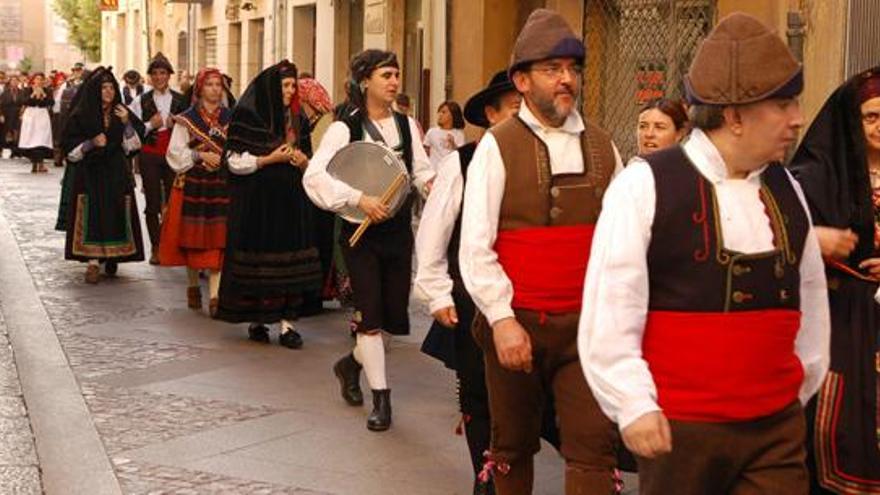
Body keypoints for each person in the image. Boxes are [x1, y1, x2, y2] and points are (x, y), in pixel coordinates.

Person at [579, 12, 830, 495]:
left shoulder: (786, 188)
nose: (797, 118)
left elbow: (811, 301)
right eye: (783, 104)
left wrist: (792, 397)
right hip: (682, 432)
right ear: (734, 117)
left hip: (775, 432)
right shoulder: (645, 184)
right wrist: (633, 404)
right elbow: (611, 307)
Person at [458, 10, 622, 494]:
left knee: (594, 447)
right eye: (552, 70)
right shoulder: (497, 146)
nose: (566, 79)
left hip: (586, 329)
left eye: (572, 68)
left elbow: (622, 238)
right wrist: (502, 320)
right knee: (511, 447)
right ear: (522, 81)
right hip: (517, 324)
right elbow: (476, 245)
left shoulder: (602, 144)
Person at [416, 70, 562, 495]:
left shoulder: (550, 160)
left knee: (540, 389)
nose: (522, 121)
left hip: (537, 297)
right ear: (491, 115)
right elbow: (435, 229)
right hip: (472, 297)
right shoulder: (461, 163)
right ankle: (487, 476)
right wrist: (437, 290)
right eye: (513, 111)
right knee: (478, 391)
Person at [305, 49, 434, 432]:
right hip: (360, 234)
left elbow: (420, 170)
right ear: (365, 82)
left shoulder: (408, 125)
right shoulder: (344, 127)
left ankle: (350, 366)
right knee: (371, 319)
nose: (394, 81)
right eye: (386, 75)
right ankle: (382, 398)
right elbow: (315, 177)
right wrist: (357, 198)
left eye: (396, 75)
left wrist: (436, 187)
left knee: (393, 318)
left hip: (396, 232)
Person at [789, 66, 880, 494]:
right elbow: (784, 233)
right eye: (872, 116)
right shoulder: (819, 178)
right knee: (839, 425)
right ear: (852, 121)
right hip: (842, 316)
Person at [215, 60, 322, 349]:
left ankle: (288, 324)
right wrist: (268, 159)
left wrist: (303, 162)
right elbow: (234, 161)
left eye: (293, 86)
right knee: (260, 262)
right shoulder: (248, 116)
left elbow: (310, 159)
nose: (290, 92)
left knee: (289, 260)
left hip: (291, 201)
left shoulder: (298, 120)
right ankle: (258, 320)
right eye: (285, 86)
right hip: (257, 203)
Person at [61, 67, 146, 283]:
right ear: (94, 91)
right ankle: (93, 263)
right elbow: (70, 151)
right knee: (92, 214)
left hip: (116, 171)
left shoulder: (122, 112)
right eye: (103, 88)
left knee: (115, 212)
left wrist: (127, 123)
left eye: (111, 87)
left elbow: (132, 147)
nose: (108, 92)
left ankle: (113, 255)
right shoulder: (81, 115)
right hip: (89, 173)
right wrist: (91, 143)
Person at [161, 68, 232, 317]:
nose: (215, 89)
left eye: (218, 85)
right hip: (193, 182)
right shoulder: (186, 119)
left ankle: (215, 296)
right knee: (192, 239)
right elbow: (174, 154)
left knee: (218, 240)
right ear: (200, 89)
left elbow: (237, 150)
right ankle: (193, 286)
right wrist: (200, 155)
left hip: (221, 184)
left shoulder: (231, 118)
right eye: (210, 84)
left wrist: (222, 158)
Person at [130, 53, 189, 264]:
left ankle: (170, 245)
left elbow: (191, 130)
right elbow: (132, 129)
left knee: (174, 202)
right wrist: (149, 126)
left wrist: (178, 124)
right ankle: (155, 247)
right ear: (150, 77)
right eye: (154, 73)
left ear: (169, 76)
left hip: (174, 155)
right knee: (152, 203)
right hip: (150, 155)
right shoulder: (140, 100)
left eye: (162, 73)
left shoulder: (181, 100)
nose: (158, 77)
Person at [18, 73, 55, 173]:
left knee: (42, 139)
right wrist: (33, 95)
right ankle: (34, 163)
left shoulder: (48, 90)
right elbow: (23, 101)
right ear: (33, 80)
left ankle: (41, 163)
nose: (39, 81)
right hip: (31, 114)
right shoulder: (27, 90)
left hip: (42, 114)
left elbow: (51, 102)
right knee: (31, 138)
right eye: (37, 79)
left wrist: (44, 95)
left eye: (41, 79)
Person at [424, 101, 466, 169]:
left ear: (452, 115)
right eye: (439, 112)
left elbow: (462, 156)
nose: (440, 115)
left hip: (451, 173)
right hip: (434, 173)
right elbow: (424, 153)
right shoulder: (431, 132)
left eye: (443, 112)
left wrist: (453, 145)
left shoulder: (459, 134)